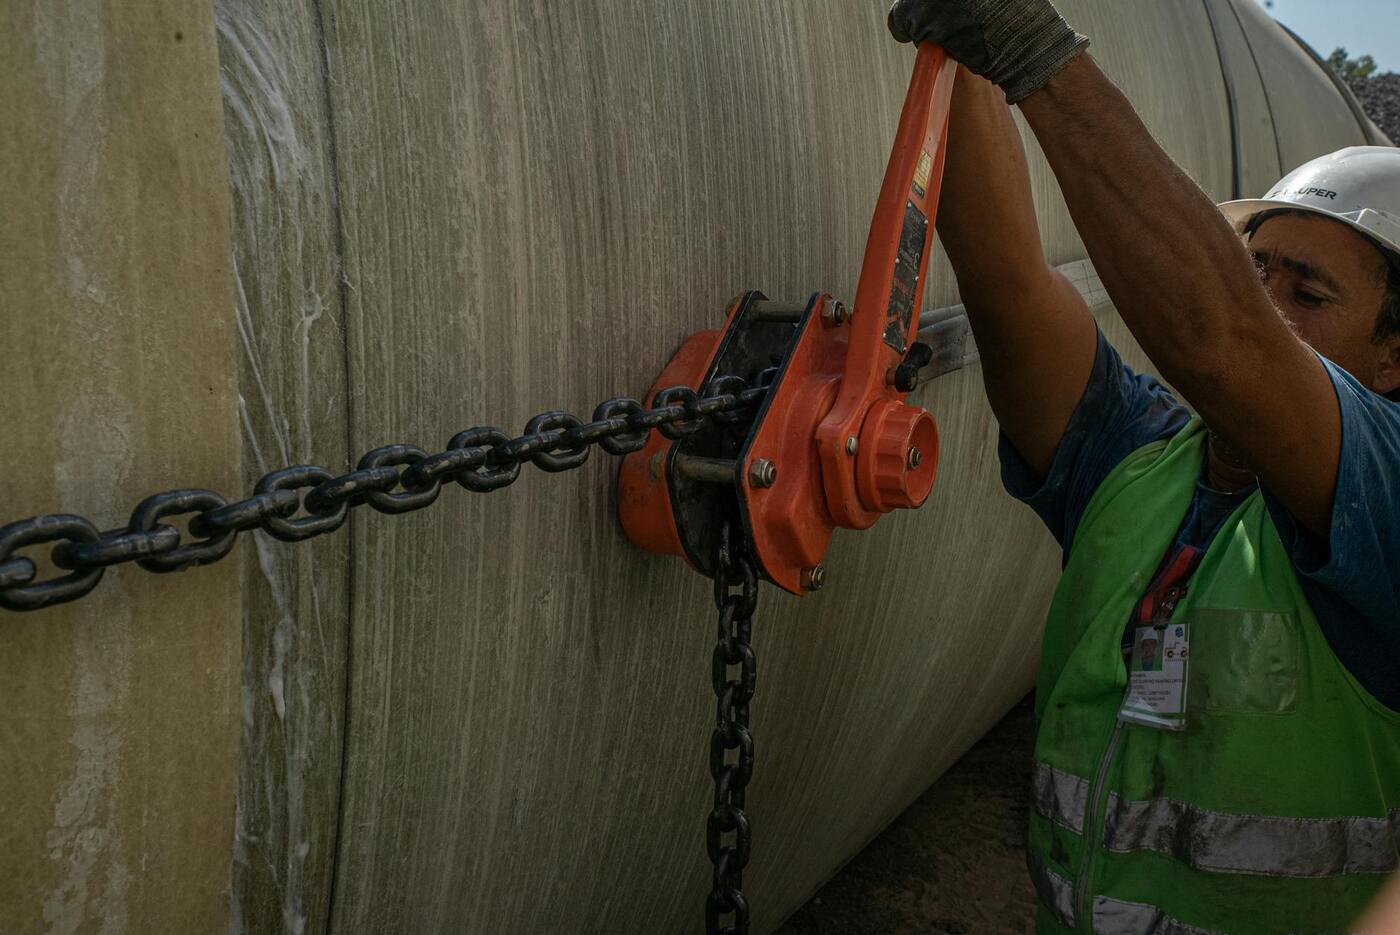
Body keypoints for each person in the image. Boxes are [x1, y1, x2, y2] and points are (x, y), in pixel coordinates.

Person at [885, 0, 1400, 931]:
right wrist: (961, 53)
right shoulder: (1138, 462)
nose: (1267, 301)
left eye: (1308, 292)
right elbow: (1007, 283)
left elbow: (1221, 340)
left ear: (1395, 360)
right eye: (1257, 270)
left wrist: (1030, 47)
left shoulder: (1388, 499)